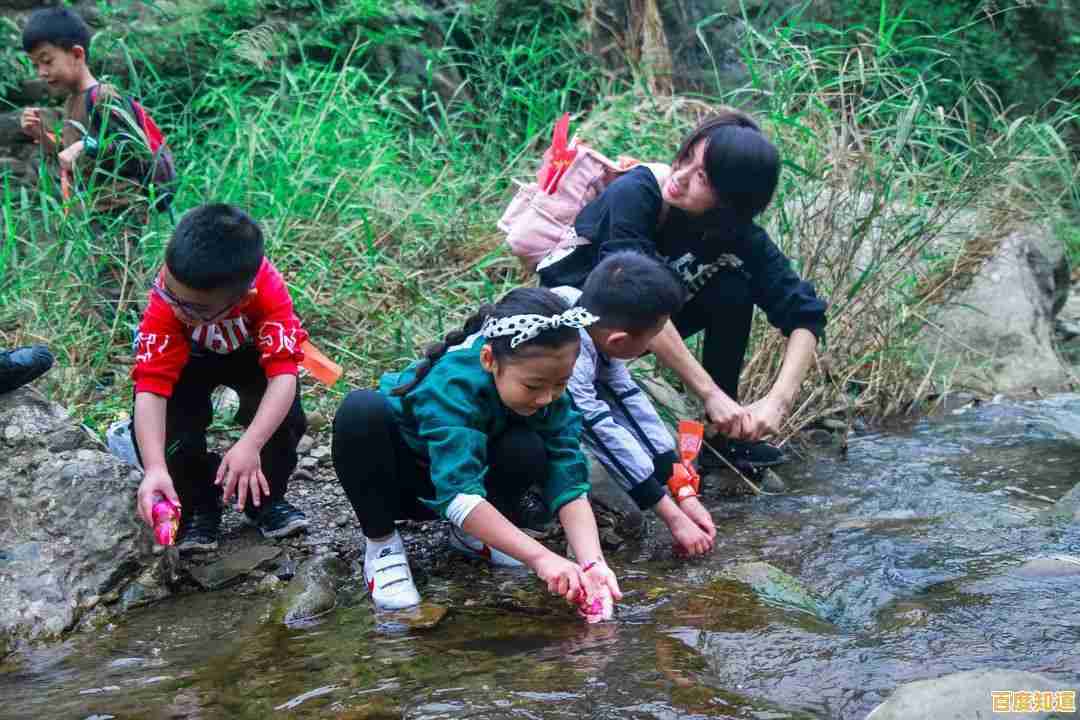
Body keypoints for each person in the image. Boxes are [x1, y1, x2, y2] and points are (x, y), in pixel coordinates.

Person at [538, 108, 827, 474]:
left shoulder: (738, 233)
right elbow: (632, 301)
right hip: (575, 321)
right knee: (641, 301)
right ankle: (713, 408)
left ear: (732, 199)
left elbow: (806, 314)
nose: (681, 176)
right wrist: (709, 393)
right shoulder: (637, 193)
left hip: (639, 327)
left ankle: (722, 435)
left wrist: (777, 403)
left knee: (732, 289)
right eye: (687, 157)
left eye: (702, 177)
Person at [331, 287, 622, 613]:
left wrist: (593, 563)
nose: (546, 397)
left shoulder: (548, 390)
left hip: (475, 489)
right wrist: (541, 558)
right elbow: (455, 491)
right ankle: (382, 545)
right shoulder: (453, 384)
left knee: (527, 446)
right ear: (489, 360)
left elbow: (568, 477)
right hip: (407, 483)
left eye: (560, 383)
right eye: (532, 386)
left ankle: (471, 535)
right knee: (360, 410)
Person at [131, 204, 309, 553]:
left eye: (194, 308)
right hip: (189, 358)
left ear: (243, 298)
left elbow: (283, 375)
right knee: (173, 432)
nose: (178, 309)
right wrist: (153, 468)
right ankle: (197, 503)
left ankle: (265, 500)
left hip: (251, 354)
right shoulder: (168, 298)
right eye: (171, 296)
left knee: (283, 421)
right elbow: (150, 387)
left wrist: (251, 443)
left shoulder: (267, 292)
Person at [552, 251, 716, 557]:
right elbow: (600, 430)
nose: (654, 344)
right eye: (653, 336)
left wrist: (683, 490)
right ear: (618, 340)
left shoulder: (590, 317)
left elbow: (627, 399)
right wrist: (673, 517)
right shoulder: (563, 352)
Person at [20, 7, 162, 217]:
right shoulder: (71, 102)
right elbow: (69, 158)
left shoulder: (103, 96)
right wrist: (40, 134)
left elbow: (133, 148)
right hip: (91, 214)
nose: (42, 72)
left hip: (122, 212)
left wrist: (85, 145)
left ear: (77, 54)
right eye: (36, 65)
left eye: (47, 61)